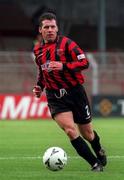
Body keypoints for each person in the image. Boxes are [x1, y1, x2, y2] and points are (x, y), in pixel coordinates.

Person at [32, 12, 107, 172]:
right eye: (46, 27)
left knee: (88, 134)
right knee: (70, 130)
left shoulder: (67, 44)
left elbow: (84, 62)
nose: (50, 30)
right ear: (41, 30)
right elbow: (42, 71)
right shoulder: (38, 50)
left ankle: (99, 150)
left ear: (57, 28)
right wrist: (39, 86)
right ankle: (95, 164)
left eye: (53, 26)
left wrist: (63, 65)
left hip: (75, 93)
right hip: (55, 97)